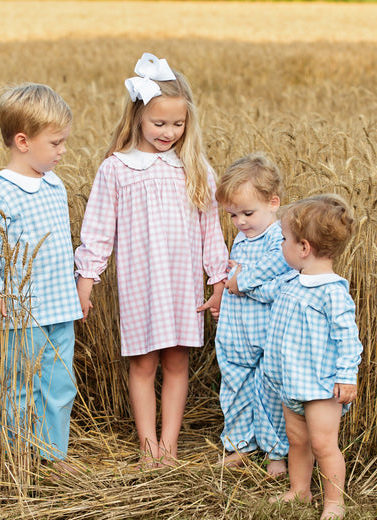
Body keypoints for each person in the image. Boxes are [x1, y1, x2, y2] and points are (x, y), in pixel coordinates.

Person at [74, 52, 228, 467]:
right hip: (141, 284)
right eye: (159, 123)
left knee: (178, 363)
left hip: (182, 286)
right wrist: (85, 281)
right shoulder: (117, 169)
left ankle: (170, 447)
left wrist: (218, 281)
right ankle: (147, 450)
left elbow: (210, 231)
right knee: (142, 365)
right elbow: (98, 233)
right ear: (138, 116)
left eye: (178, 124)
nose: (169, 132)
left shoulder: (195, 168)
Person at [0, 83, 83, 473]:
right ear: (23, 141)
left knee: (59, 385)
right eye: (55, 143)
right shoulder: (4, 191)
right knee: (22, 387)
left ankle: (53, 454)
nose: (62, 150)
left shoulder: (55, 184)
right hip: (21, 313)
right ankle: (21, 455)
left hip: (59, 307)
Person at [250, 194, 363, 519]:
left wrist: (346, 376)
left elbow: (347, 339)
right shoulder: (292, 282)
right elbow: (266, 293)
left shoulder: (332, 292)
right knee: (297, 442)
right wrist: (240, 283)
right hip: (290, 384)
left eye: (284, 239)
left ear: (303, 248)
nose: (281, 245)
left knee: (324, 445)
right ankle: (299, 491)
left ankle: (334, 503)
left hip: (321, 388)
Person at [214, 153, 292, 475]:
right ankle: (239, 445)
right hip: (235, 335)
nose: (240, 221)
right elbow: (235, 279)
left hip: (266, 335)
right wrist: (227, 297)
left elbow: (278, 276)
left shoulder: (280, 238)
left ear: (273, 202)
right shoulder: (242, 239)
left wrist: (241, 282)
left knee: (271, 393)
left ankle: (276, 454)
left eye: (247, 213)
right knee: (235, 389)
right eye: (233, 215)